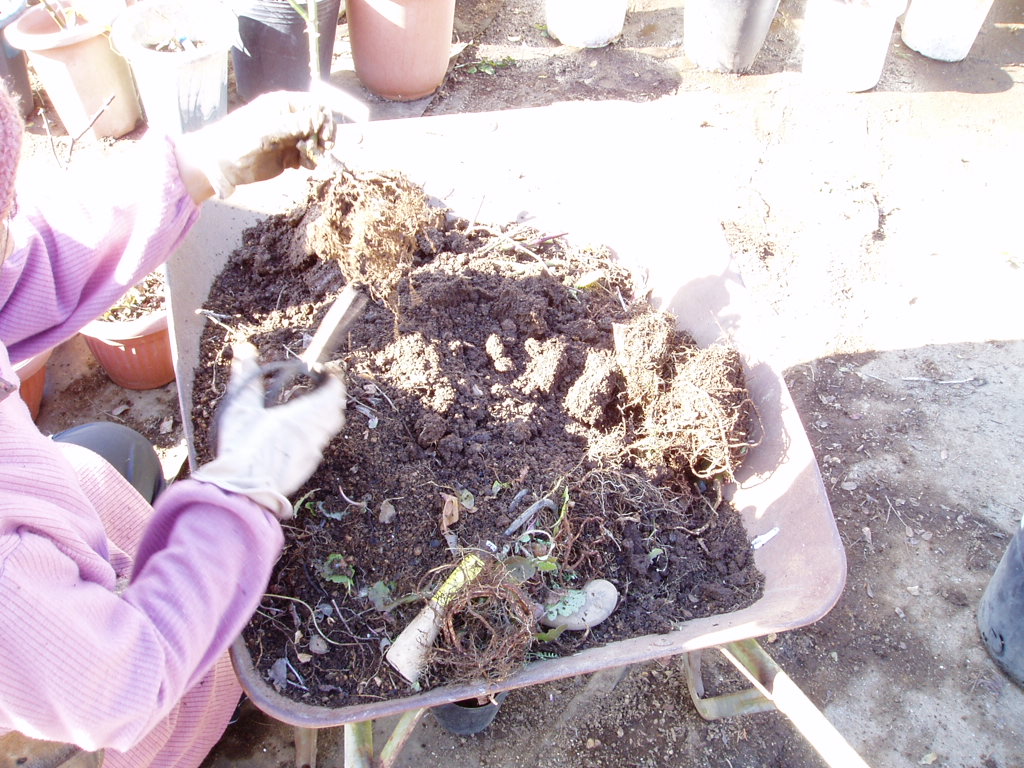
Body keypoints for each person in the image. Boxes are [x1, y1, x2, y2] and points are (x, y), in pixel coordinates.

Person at [0, 82, 347, 767]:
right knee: (181, 690)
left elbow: (25, 272)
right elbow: (118, 684)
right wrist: (243, 487)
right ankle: (199, 728)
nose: (13, 231)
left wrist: (192, 168)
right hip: (90, 680)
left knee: (104, 459)